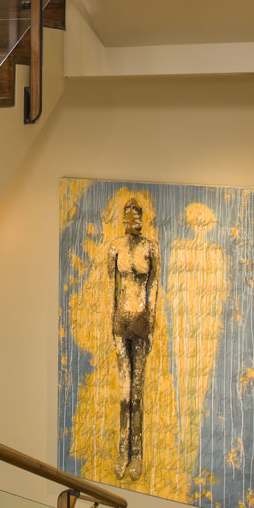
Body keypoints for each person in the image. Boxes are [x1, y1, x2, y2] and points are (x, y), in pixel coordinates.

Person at [106, 199, 160, 481]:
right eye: (130, 215)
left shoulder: (150, 247)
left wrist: (150, 326)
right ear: (124, 219)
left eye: (138, 215)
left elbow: (154, 289)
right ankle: (121, 451)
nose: (134, 219)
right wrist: (110, 326)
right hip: (121, 319)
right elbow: (109, 288)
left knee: (136, 394)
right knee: (124, 393)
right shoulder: (115, 246)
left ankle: (136, 454)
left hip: (140, 318)